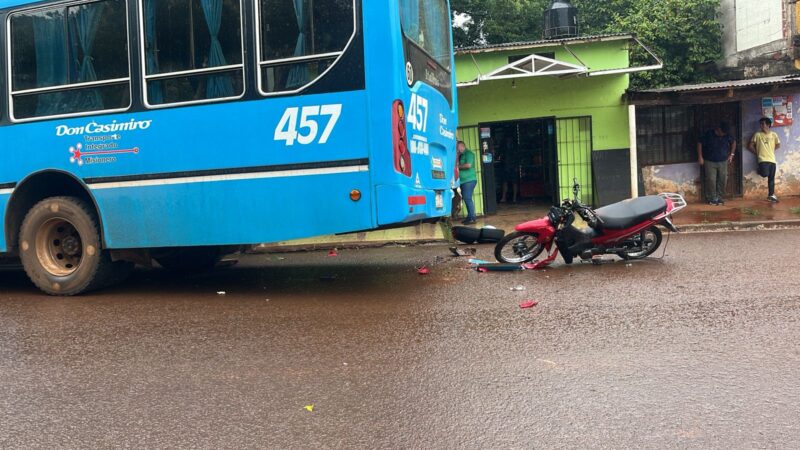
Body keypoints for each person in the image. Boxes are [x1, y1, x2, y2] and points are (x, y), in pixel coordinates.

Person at [697, 121, 736, 205]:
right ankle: (712, 198)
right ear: (718, 129)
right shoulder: (708, 134)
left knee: (723, 179)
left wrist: (731, 154)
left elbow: (733, 142)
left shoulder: (727, 135)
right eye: (722, 133)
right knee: (711, 180)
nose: (723, 135)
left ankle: (720, 197)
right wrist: (700, 156)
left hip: (723, 161)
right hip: (709, 161)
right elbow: (699, 143)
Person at [747, 117, 781, 202]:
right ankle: (760, 171)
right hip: (762, 159)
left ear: (768, 125)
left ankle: (771, 195)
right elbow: (750, 146)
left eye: (763, 124)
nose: (761, 126)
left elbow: (778, 145)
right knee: (765, 173)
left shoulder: (774, 135)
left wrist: (770, 150)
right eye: (761, 124)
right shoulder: (757, 135)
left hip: (772, 159)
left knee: (771, 178)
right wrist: (757, 153)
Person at [457, 141, 477, 224]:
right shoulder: (461, 155)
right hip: (464, 181)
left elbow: (468, 165)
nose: (457, 150)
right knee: (466, 198)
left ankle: (472, 218)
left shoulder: (469, 153)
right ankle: (470, 217)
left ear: (462, 146)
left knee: (467, 198)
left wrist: (457, 166)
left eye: (457, 148)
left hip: (469, 180)